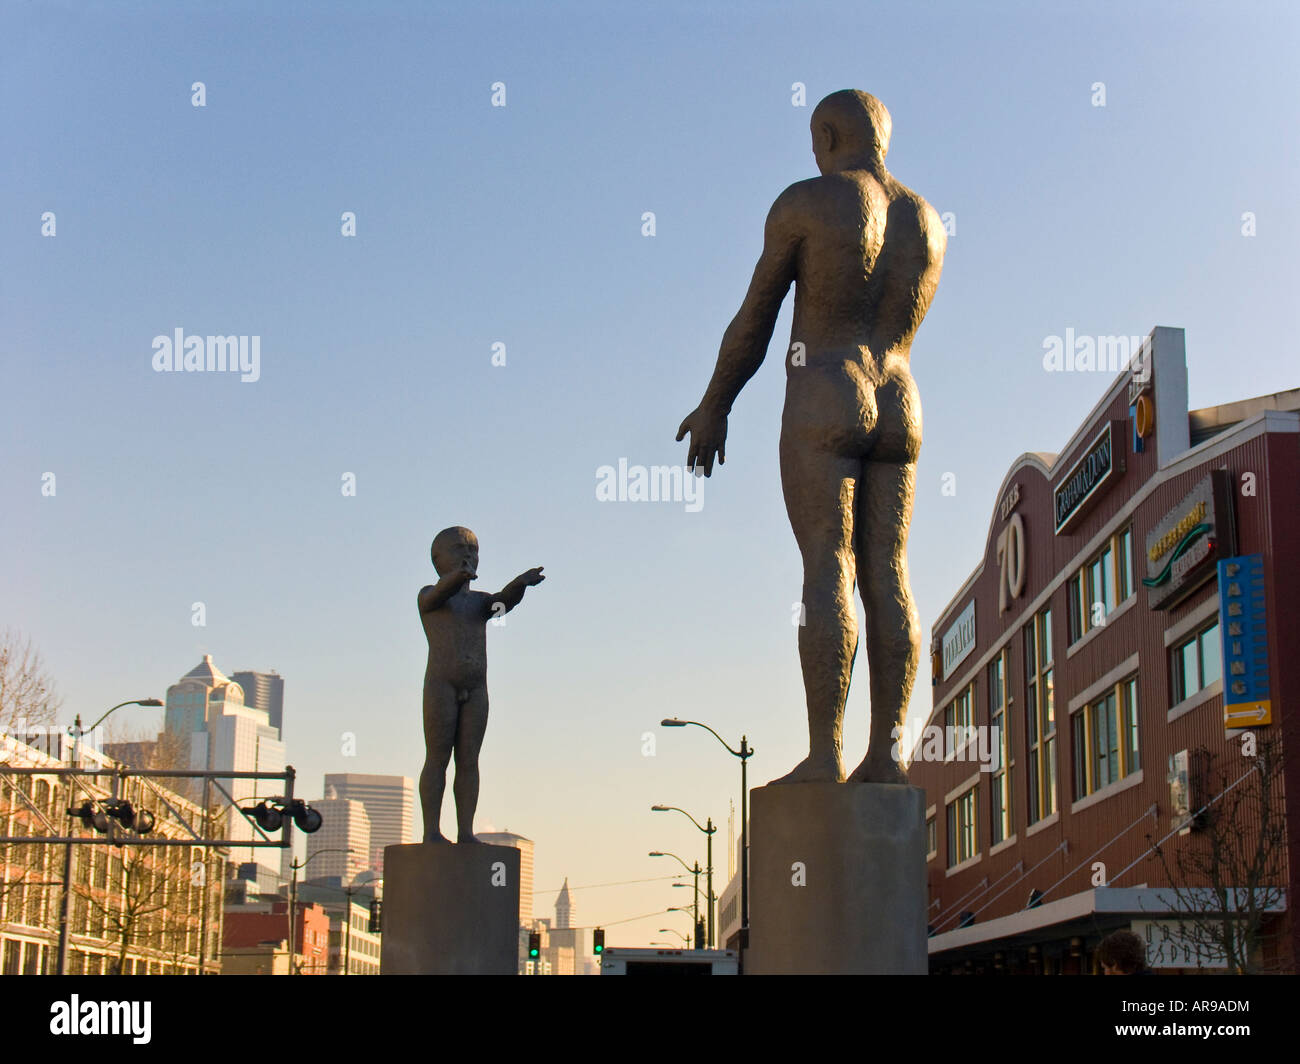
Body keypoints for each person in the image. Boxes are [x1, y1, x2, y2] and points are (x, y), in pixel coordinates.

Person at [677, 90, 946, 783]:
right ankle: (887, 757)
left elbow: (755, 320)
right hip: (902, 399)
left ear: (827, 136)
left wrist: (715, 405)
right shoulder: (926, 220)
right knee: (889, 571)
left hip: (828, 388)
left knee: (830, 562)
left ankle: (825, 757)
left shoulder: (809, 201)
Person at [417, 526, 544, 842]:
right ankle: (432, 830)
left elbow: (502, 604)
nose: (469, 555)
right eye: (460, 548)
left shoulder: (479, 602)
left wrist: (519, 584)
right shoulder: (429, 597)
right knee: (438, 757)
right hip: (441, 685)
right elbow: (438, 594)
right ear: (438, 558)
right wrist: (458, 578)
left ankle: (465, 832)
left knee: (469, 761)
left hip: (476, 688)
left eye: (473, 550)